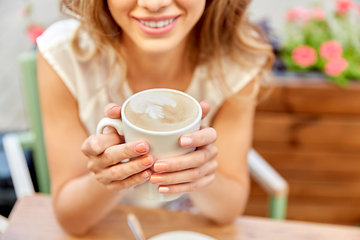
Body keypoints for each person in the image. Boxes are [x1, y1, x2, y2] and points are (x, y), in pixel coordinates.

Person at [36, 0, 274, 235]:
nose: (154, 4)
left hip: (186, 226)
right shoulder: (65, 54)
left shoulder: (236, 61)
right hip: (111, 227)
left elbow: (228, 211)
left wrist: (200, 171)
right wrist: (110, 176)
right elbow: (70, 219)